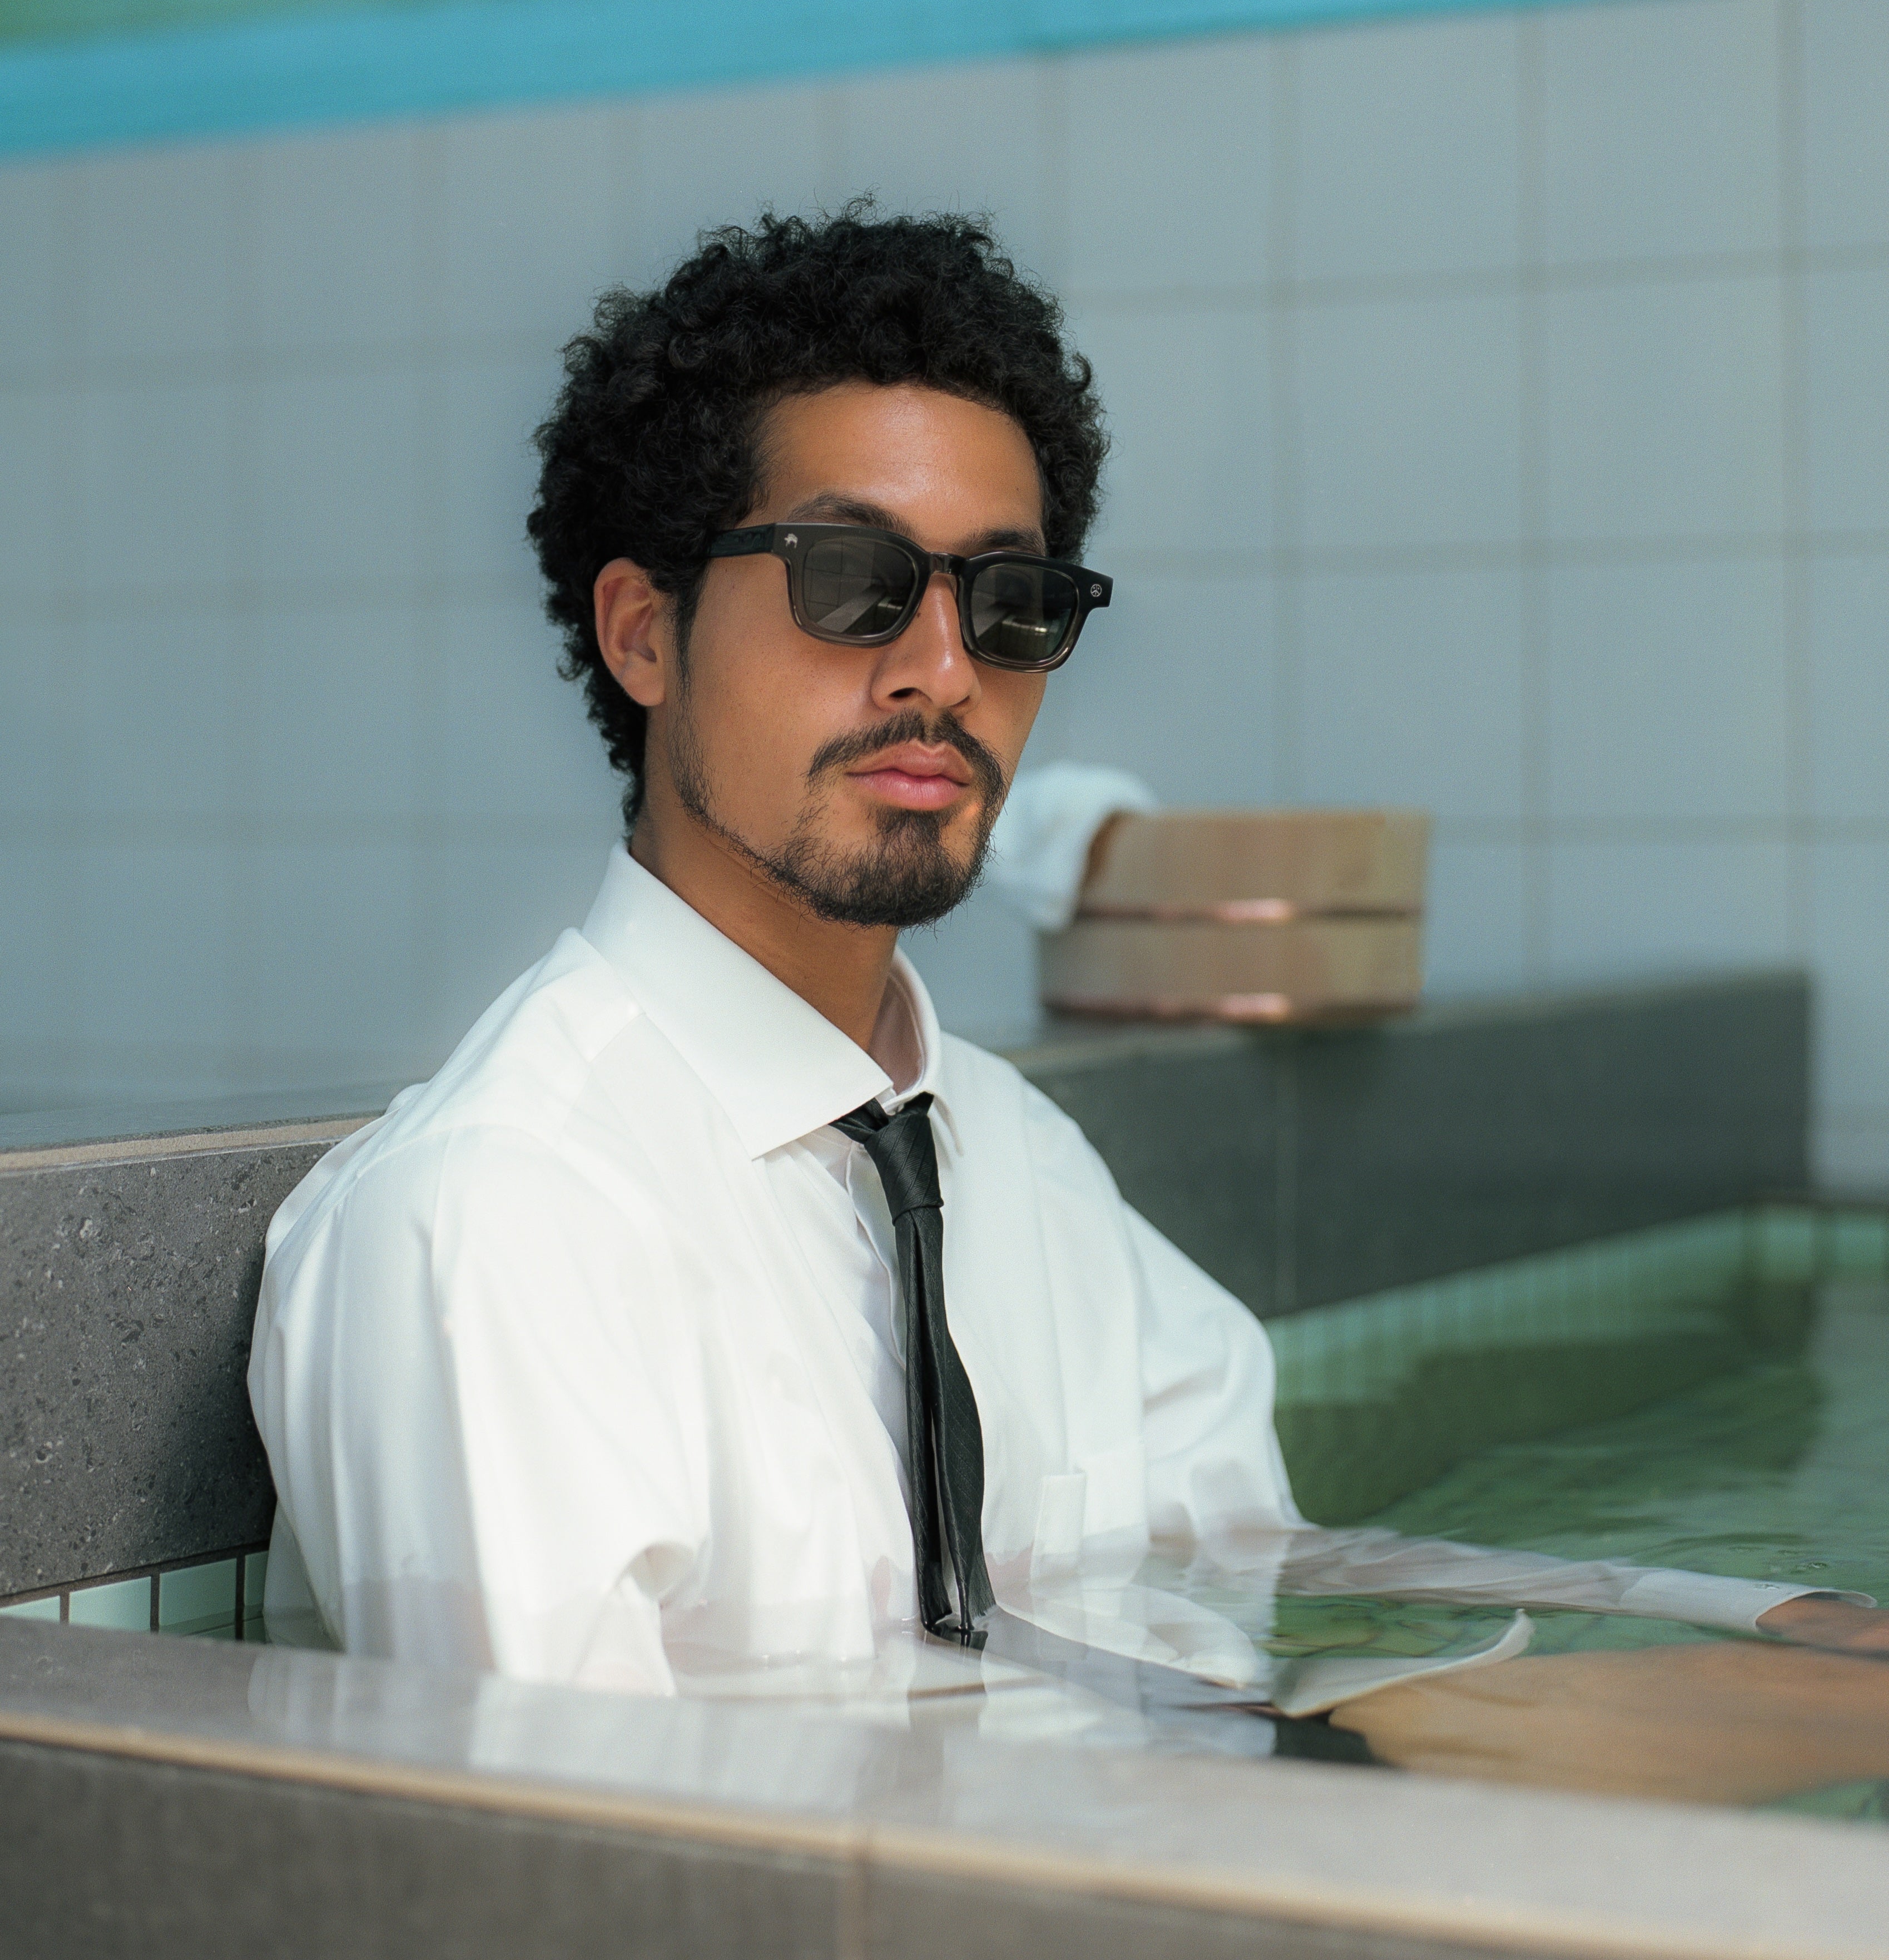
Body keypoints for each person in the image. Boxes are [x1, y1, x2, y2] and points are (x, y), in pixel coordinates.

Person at [249, 209, 1886, 1719]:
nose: (944, 669)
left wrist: (1752, 1614)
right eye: (852, 582)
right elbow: (555, 1868)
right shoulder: (499, 1226)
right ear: (643, 632)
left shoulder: (1021, 1169)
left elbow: (1252, 1566)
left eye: (1010, 601)